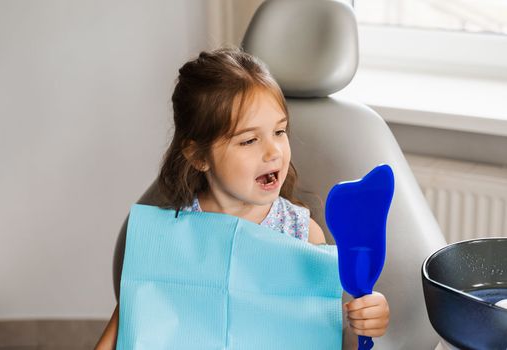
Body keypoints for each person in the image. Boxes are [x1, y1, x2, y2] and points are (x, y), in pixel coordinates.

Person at [95, 48, 390, 349]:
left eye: (279, 131)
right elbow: (128, 326)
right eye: (249, 140)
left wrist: (362, 321)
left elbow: (328, 338)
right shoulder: (168, 238)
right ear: (198, 155)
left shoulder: (302, 236)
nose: (273, 151)